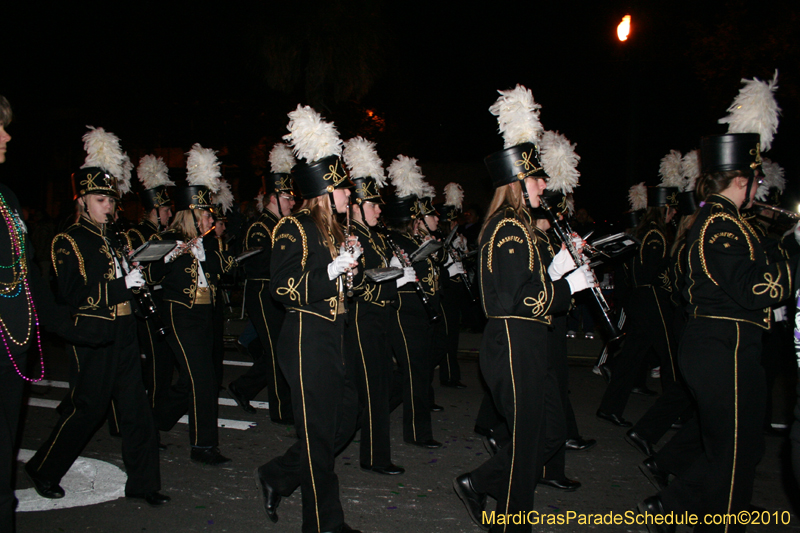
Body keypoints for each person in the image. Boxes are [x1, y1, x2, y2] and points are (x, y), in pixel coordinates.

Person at [639, 72, 798, 533]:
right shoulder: (720, 223)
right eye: (755, 181)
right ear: (743, 180)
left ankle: (671, 506)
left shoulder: (726, 221)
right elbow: (753, 288)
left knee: (740, 449)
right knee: (733, 455)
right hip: (721, 344)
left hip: (728, 343)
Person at [453, 85, 594, 532]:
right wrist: (568, 288)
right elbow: (518, 299)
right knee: (530, 438)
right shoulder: (509, 228)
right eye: (536, 179)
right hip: (514, 342)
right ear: (518, 182)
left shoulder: (521, 227)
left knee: (549, 432)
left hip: (528, 341)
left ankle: (479, 483)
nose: (544, 185)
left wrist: (561, 268)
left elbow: (527, 283)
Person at [25, 126, 168, 506]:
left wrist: (141, 273)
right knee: (87, 409)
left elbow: (129, 280)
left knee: (137, 410)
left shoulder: (116, 238)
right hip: (92, 334)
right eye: (101, 200)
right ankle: (44, 468)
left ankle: (143, 484)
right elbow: (74, 297)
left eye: (111, 200)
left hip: (124, 330)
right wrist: (122, 285)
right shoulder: (68, 240)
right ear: (83, 201)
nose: (109, 207)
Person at [256, 105, 362, 533]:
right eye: (344, 188)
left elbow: (342, 289)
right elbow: (281, 287)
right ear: (326, 190)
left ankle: (278, 475)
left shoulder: (334, 230)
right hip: (305, 340)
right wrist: (331, 271)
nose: (350, 195)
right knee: (319, 438)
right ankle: (323, 525)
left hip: (333, 337)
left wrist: (350, 272)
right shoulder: (293, 227)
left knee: (345, 420)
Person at [148, 144, 234, 465]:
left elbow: (225, 270)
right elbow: (150, 275)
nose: (211, 219)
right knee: (202, 379)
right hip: (179, 313)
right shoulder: (166, 239)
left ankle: (153, 422)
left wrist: (206, 254)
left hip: (204, 313)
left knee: (190, 379)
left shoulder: (208, 242)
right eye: (206, 215)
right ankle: (203, 446)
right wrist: (169, 257)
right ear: (193, 215)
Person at [342, 136, 411, 475]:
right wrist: (387, 279)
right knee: (372, 390)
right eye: (373, 204)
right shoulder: (350, 236)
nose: (379, 209)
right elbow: (353, 285)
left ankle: (351, 434)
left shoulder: (376, 235)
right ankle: (374, 457)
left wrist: (398, 273)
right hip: (361, 318)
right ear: (356, 206)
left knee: (382, 386)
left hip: (380, 317)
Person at [596, 181, 678, 427]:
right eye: (672, 209)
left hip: (641, 299)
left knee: (631, 358)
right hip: (652, 299)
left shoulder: (643, 231)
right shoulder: (655, 234)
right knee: (670, 356)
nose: (674, 213)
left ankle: (610, 407)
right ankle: (673, 412)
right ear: (664, 209)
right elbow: (651, 272)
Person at [227, 143, 296, 424]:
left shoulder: (283, 225)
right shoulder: (260, 226)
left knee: (281, 350)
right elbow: (255, 264)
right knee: (276, 350)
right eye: (288, 198)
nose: (293, 203)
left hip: (278, 293)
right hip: (263, 293)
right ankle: (281, 410)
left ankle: (243, 387)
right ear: (273, 199)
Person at [383, 155, 444, 448]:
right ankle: (418, 433)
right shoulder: (395, 242)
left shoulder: (414, 242)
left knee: (411, 373)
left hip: (420, 312)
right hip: (404, 313)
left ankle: (369, 411)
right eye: (418, 219)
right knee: (416, 372)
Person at [128, 154, 174, 417]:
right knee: (157, 359)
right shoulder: (136, 234)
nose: (170, 214)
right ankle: (154, 413)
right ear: (154, 210)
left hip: (164, 298)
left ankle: (159, 406)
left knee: (165, 358)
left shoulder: (164, 234)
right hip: (146, 300)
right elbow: (142, 271)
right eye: (166, 210)